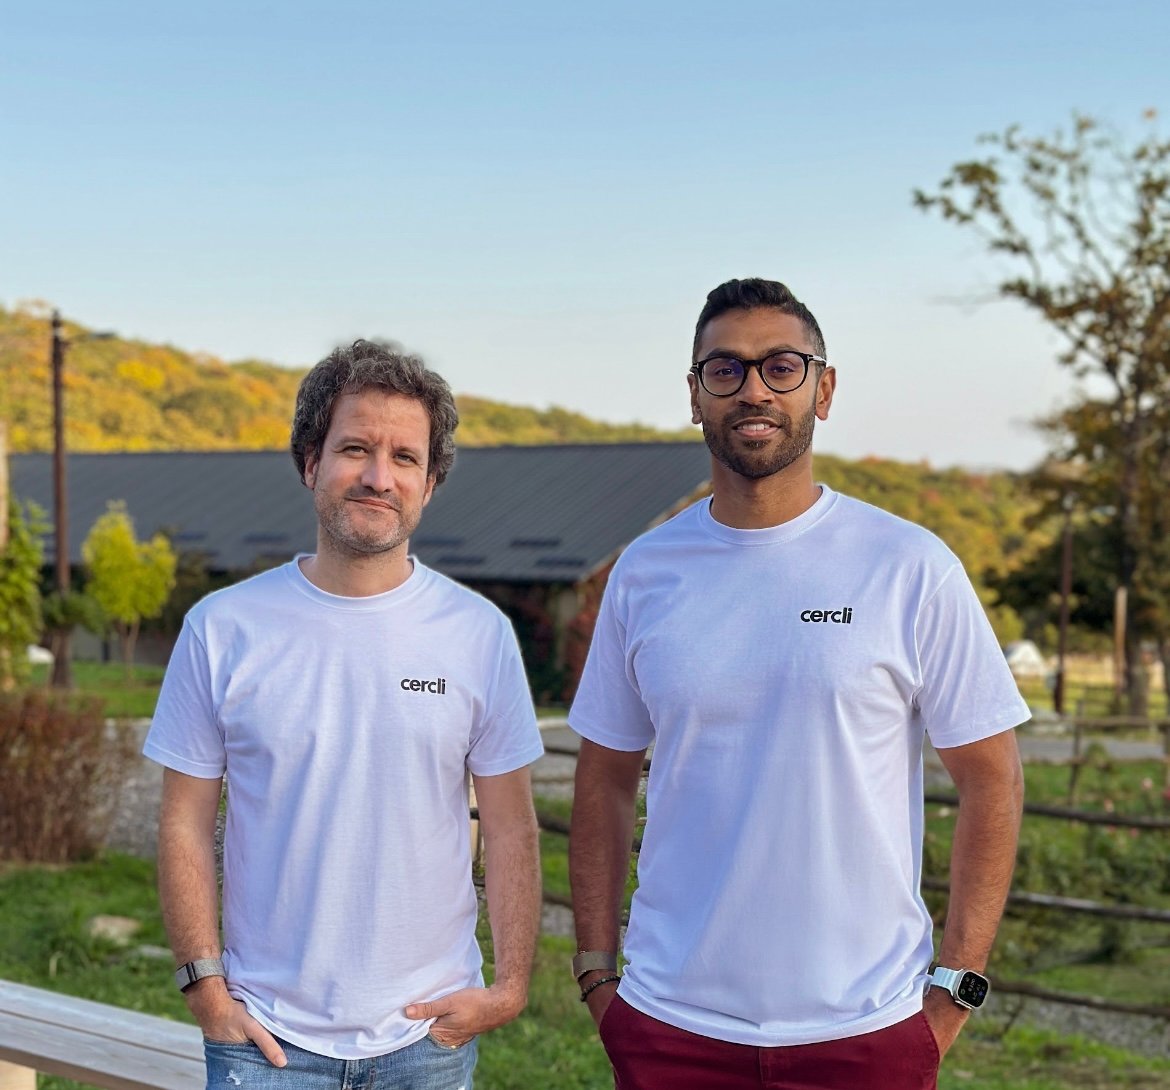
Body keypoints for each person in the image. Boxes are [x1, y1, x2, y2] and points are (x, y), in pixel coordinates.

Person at [567, 279, 1026, 1089]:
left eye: (782, 366)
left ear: (825, 388)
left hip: (867, 1029)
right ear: (695, 396)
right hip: (671, 1026)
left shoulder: (909, 566)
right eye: (725, 369)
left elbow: (993, 779)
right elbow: (603, 778)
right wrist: (598, 975)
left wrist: (954, 989)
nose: (753, 389)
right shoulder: (644, 572)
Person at [146, 340, 543, 1090]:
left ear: (429, 484)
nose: (377, 477)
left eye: (404, 457)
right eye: (355, 448)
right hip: (265, 1039)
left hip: (427, 1039)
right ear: (310, 462)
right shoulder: (223, 628)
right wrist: (204, 986)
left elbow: (511, 826)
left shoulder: (478, 634)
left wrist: (510, 986)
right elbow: (184, 820)